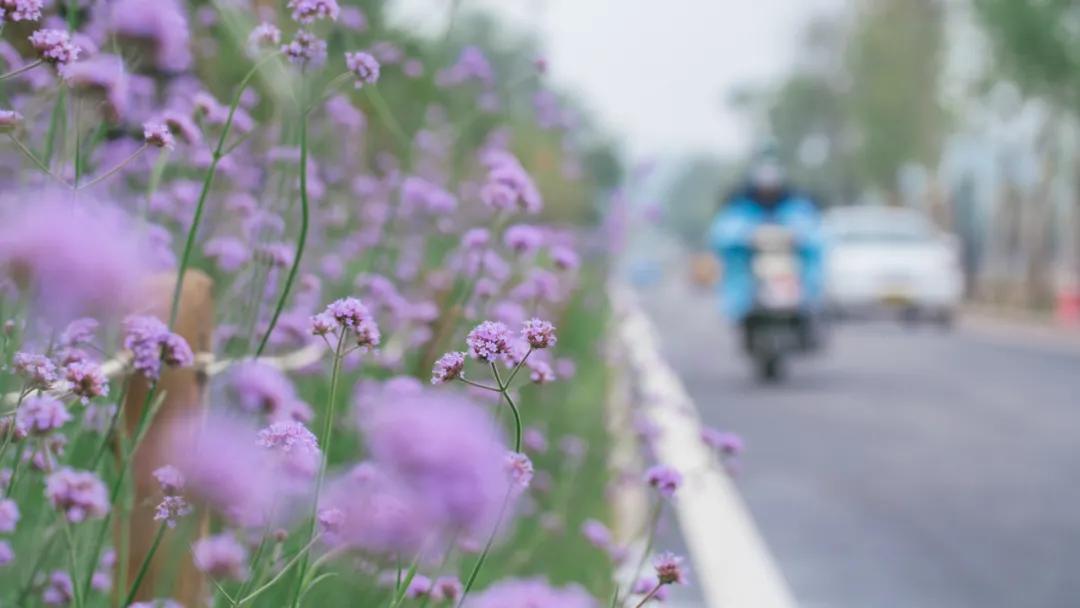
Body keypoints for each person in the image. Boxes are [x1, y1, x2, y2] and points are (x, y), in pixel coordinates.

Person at [708, 159, 825, 347]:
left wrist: (800, 236)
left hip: (789, 263)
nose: (767, 193)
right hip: (752, 266)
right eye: (763, 188)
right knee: (737, 279)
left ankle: (807, 314)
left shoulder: (795, 206)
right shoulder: (740, 207)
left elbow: (813, 232)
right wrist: (743, 237)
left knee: (810, 280)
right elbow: (724, 233)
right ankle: (743, 316)